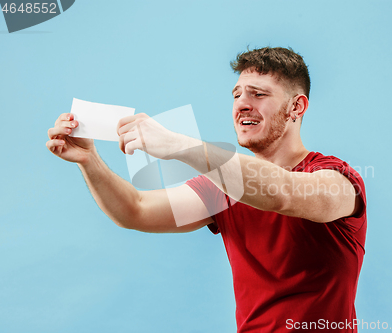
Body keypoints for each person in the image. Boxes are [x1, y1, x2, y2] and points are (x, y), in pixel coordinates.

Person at [46, 47, 367, 332]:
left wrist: (175, 144)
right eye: (237, 95)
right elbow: (135, 209)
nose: (242, 104)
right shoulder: (222, 186)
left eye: (258, 94)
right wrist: (89, 160)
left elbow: (283, 193)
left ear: (297, 107)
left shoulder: (338, 179)